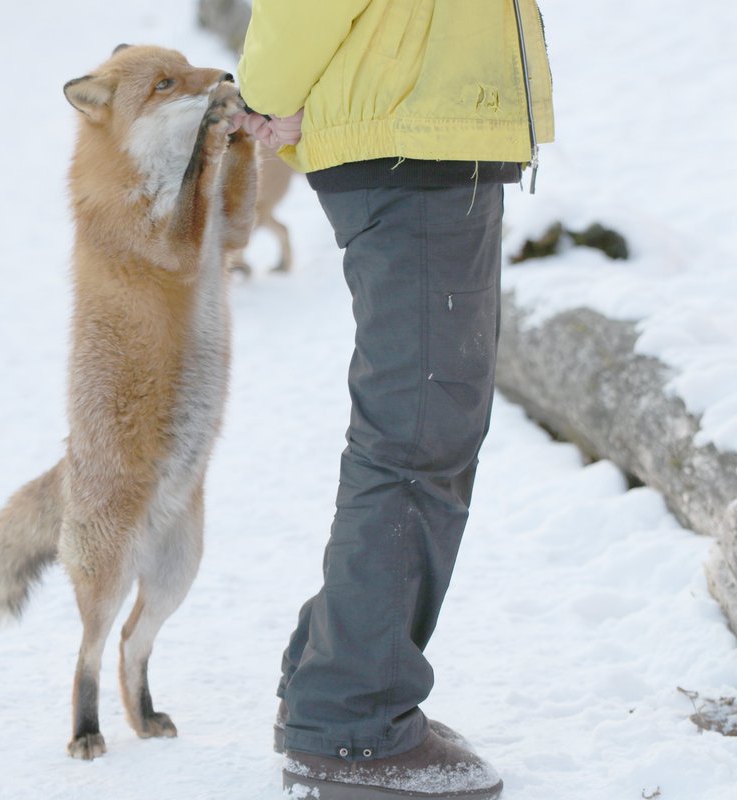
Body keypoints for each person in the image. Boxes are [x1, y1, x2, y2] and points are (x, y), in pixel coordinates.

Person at [232, 2, 554, 798]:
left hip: (434, 131)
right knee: (416, 433)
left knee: (426, 428)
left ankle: (335, 681)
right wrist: (269, 92)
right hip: (412, 137)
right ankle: (351, 720)